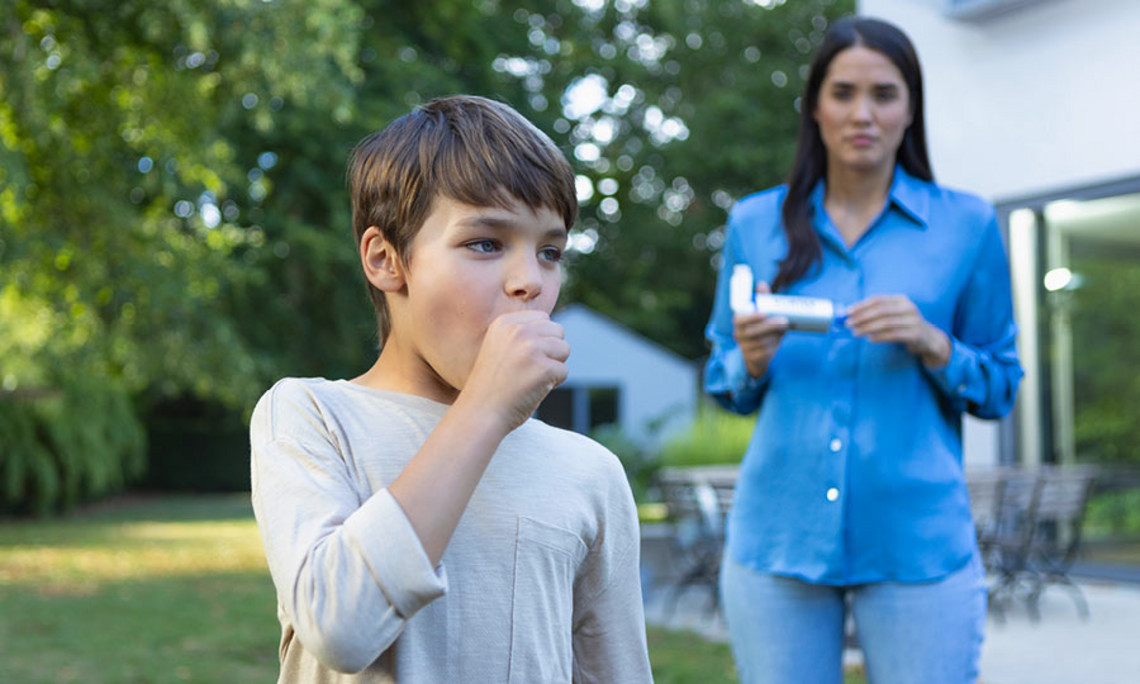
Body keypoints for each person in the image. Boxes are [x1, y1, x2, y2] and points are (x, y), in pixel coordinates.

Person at [249, 95, 652, 683]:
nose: (529, 283)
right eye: (486, 243)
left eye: (550, 252)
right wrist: (485, 408)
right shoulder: (312, 415)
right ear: (386, 260)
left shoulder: (590, 473)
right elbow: (340, 628)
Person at [704, 16, 1022, 684]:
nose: (863, 113)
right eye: (843, 92)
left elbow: (1002, 386)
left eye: (884, 93)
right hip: (776, 541)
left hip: (918, 544)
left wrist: (935, 344)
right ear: (815, 105)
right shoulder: (754, 224)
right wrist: (751, 360)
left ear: (911, 109)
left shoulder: (966, 224)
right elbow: (721, 375)